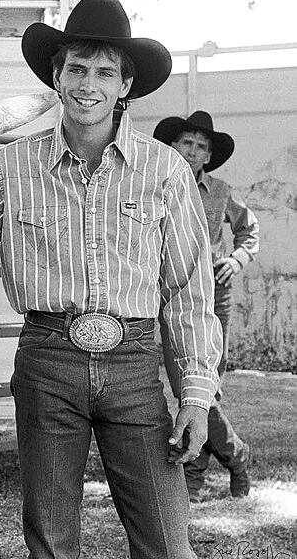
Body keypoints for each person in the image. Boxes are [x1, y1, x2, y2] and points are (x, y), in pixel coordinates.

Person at [0, 0, 222, 558]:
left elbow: (190, 291)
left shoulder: (165, 170)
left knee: (167, 542)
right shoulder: (10, 167)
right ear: (56, 76)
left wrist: (195, 393)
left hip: (135, 365)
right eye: (76, 69)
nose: (88, 84)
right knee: (50, 544)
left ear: (126, 86)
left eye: (105, 72)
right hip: (47, 362)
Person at [154, 111, 259, 502]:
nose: (193, 151)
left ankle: (197, 474)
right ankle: (235, 455)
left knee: (207, 386)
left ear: (208, 156)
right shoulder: (154, 181)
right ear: (172, 146)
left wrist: (235, 259)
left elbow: (250, 230)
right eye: (186, 142)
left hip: (214, 295)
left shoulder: (220, 191)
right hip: (168, 293)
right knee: (187, 384)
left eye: (201, 146)